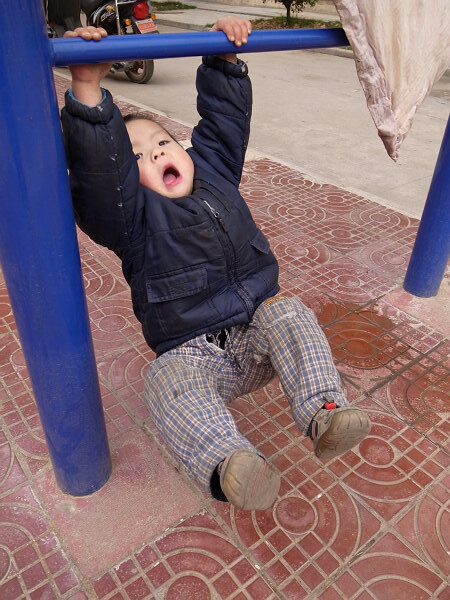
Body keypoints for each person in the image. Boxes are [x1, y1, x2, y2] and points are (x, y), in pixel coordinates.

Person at [61, 18, 371, 511]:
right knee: (164, 382)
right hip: (195, 355)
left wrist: (223, 54)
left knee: (289, 312)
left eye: (162, 143)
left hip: (257, 333)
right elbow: (101, 180)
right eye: (136, 155)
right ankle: (231, 464)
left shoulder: (216, 172)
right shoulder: (131, 220)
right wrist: (87, 88)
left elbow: (224, 127)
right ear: (127, 181)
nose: (155, 152)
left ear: (183, 152)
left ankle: (326, 412)